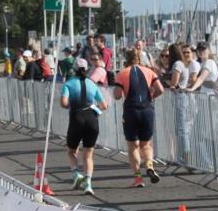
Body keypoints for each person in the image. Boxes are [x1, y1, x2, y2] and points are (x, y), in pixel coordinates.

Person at [113, 48, 164, 188]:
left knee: (133, 145)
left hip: (131, 110)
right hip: (147, 109)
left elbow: (117, 95)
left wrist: (118, 90)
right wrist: (150, 98)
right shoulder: (149, 71)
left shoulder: (122, 73)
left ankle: (138, 178)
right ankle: (150, 166)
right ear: (140, 58)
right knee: (146, 144)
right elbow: (161, 89)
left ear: (126, 59)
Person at [61, 58, 108, 195]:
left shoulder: (68, 84)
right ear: (87, 69)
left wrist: (70, 105)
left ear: (74, 70)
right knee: (88, 154)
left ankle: (76, 175)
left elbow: (64, 103)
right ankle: (88, 183)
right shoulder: (93, 85)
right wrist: (94, 108)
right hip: (91, 119)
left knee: (71, 151)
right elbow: (104, 105)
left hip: (76, 118)